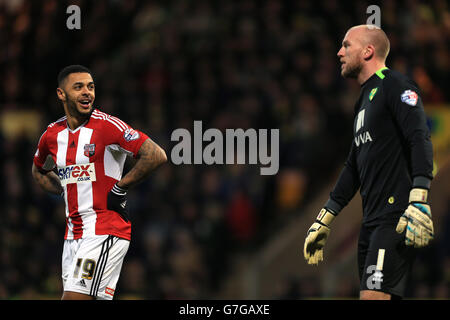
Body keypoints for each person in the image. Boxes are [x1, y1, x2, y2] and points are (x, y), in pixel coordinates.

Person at [303, 25, 434, 300]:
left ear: (367, 51)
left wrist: (419, 196)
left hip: (394, 216)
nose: (339, 52)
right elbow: (354, 165)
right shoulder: (363, 99)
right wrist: (324, 219)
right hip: (370, 221)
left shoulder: (396, 84)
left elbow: (419, 137)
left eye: (346, 45)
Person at [31, 65, 167, 300]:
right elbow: (39, 170)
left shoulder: (108, 126)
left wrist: (120, 187)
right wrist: (64, 191)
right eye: (78, 87)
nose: (87, 92)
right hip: (72, 236)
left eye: (90, 87)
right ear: (61, 94)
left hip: (104, 230)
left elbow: (156, 154)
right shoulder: (52, 135)